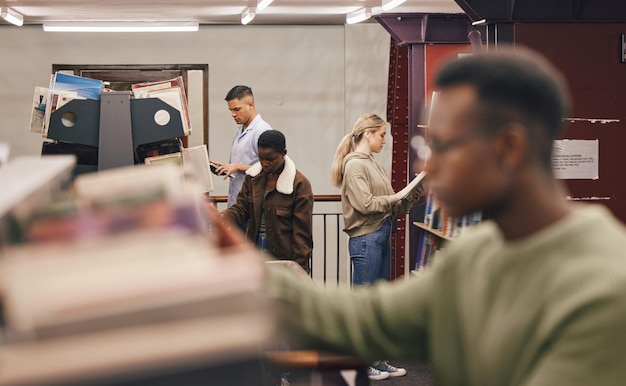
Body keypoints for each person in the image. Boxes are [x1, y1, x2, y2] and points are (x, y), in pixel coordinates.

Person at [238, 47, 626, 386]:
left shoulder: (605, 287)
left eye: (443, 146)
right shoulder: (474, 255)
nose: (427, 164)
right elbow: (366, 318)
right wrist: (233, 263)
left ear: (509, 148)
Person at [329, 113, 423, 380]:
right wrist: (395, 197)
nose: (386, 140)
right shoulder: (355, 165)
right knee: (365, 303)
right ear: (367, 134)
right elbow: (366, 205)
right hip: (366, 237)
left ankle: (375, 359)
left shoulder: (373, 164)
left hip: (380, 235)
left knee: (376, 303)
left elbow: (391, 205)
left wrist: (412, 194)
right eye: (382, 134)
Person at [221, 129, 313, 273]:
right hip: (254, 247)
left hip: (283, 252)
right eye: (261, 158)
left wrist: (300, 269)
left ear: (284, 153)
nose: (265, 163)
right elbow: (241, 208)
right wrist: (221, 217)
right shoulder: (253, 178)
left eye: (270, 159)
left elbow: (302, 235)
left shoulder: (299, 184)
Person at [212, 85, 272, 207]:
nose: (233, 114)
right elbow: (241, 166)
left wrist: (238, 167)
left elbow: (269, 168)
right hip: (238, 203)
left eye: (237, 109)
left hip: (252, 206)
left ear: (251, 105)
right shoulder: (240, 130)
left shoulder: (262, 132)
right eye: (231, 110)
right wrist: (227, 168)